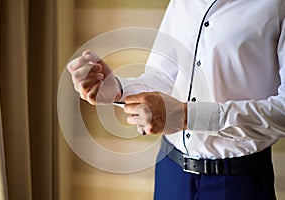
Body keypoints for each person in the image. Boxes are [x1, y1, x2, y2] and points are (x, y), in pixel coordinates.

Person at [67, 0, 285, 199]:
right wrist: (118, 90)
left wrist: (187, 116)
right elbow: (164, 76)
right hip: (170, 173)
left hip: (237, 183)